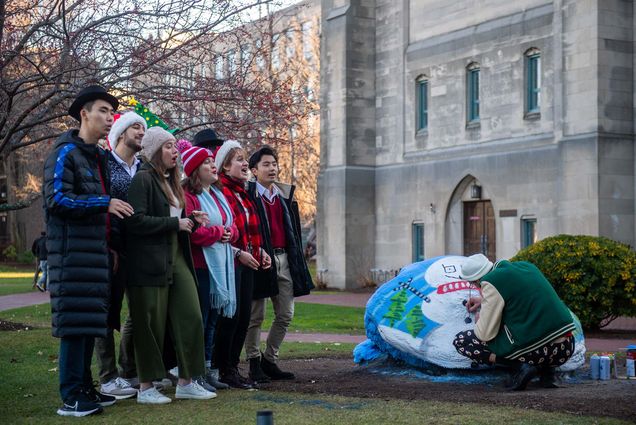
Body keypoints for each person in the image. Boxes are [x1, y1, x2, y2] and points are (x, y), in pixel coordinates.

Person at [43, 84, 134, 417]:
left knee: (89, 323)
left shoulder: (97, 158)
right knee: (74, 326)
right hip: (71, 256)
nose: (110, 119)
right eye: (103, 111)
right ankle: (71, 395)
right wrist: (104, 202)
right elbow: (56, 200)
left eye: (112, 113)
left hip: (95, 255)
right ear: (84, 114)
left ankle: (85, 387)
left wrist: (109, 246)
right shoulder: (64, 152)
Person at [125, 126, 215, 404]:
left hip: (176, 256)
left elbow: (174, 216)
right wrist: (175, 222)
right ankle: (145, 387)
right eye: (168, 146)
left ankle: (187, 381)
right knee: (149, 323)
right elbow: (134, 221)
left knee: (191, 315)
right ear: (154, 151)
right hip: (149, 261)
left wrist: (191, 217)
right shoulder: (143, 179)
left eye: (175, 146)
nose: (175, 151)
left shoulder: (173, 181)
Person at [453, 254, 577, 390]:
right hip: (565, 348)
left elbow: (484, 334)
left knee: (463, 340)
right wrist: (484, 301)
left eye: (472, 284)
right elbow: (521, 299)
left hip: (537, 353)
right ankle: (547, 373)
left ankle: (522, 367)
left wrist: (480, 320)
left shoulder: (490, 282)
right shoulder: (526, 266)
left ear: (476, 280)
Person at [245, 146, 314, 382]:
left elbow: (292, 231)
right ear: (254, 170)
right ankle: (253, 361)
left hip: (284, 258)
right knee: (255, 315)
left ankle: (269, 360)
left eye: (274, 163)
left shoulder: (284, 196)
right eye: (266, 164)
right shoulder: (249, 196)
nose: (272, 168)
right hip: (259, 258)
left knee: (285, 313)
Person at [93, 111, 147, 400]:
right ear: (121, 132)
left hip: (140, 249)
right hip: (112, 248)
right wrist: (108, 244)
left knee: (138, 313)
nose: (141, 132)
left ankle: (129, 371)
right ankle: (107, 377)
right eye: (136, 127)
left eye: (143, 128)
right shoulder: (104, 162)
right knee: (107, 314)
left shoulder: (144, 167)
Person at [178, 140, 238, 391]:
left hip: (221, 266)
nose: (213, 167)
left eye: (213, 162)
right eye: (206, 163)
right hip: (202, 266)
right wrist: (218, 232)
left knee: (213, 320)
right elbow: (194, 233)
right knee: (201, 320)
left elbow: (231, 225)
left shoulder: (216, 195)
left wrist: (229, 233)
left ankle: (208, 369)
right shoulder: (189, 197)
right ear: (194, 170)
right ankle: (196, 373)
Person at [214, 140, 272, 389]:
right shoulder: (221, 191)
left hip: (249, 261)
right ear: (225, 166)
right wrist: (239, 253)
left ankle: (232, 368)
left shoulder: (242, 192)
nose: (245, 164)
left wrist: (261, 252)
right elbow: (225, 231)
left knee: (244, 317)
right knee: (231, 318)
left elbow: (250, 229)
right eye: (238, 159)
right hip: (231, 262)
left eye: (244, 158)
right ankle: (222, 368)